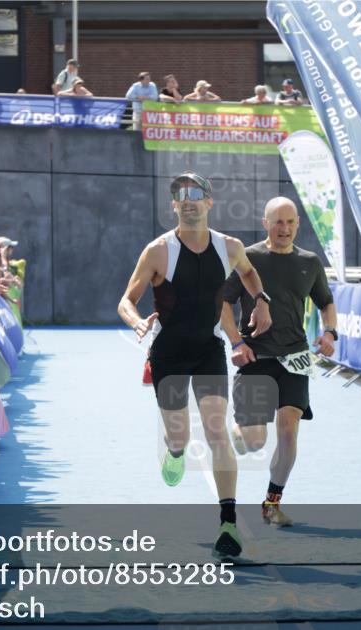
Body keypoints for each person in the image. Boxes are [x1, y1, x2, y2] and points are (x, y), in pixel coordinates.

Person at [117, 172, 272, 558]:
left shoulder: (230, 247)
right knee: (179, 436)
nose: (187, 200)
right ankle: (174, 451)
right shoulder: (158, 251)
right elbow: (126, 300)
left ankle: (228, 521)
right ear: (174, 206)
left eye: (195, 194)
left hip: (208, 348)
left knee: (217, 429)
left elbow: (250, 273)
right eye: (179, 195)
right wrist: (136, 321)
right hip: (168, 351)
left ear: (208, 202)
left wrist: (263, 299)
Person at [220, 197, 337, 527]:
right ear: (265, 223)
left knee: (288, 432)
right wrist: (237, 342)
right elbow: (223, 304)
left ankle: (271, 504)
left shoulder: (310, 262)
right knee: (255, 441)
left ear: (298, 223)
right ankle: (240, 431)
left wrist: (330, 332)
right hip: (255, 357)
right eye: (277, 222)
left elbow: (326, 302)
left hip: (295, 357)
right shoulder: (248, 259)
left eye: (289, 222)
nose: (284, 228)